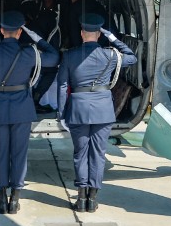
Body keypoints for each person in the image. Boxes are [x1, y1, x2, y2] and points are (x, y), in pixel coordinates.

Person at [0, 10, 59, 214]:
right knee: (19, 154)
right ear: (21, 32)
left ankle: (1, 199)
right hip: (22, 108)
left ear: (1, 29)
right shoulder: (30, 53)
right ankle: (15, 199)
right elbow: (54, 57)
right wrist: (37, 38)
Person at [57, 13, 137, 213]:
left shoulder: (69, 56)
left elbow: (62, 86)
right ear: (99, 35)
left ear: (82, 33)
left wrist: (61, 113)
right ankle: (93, 199)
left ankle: (81, 197)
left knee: (80, 154)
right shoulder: (111, 55)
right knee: (98, 154)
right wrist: (112, 38)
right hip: (103, 110)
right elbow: (132, 57)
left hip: (78, 109)